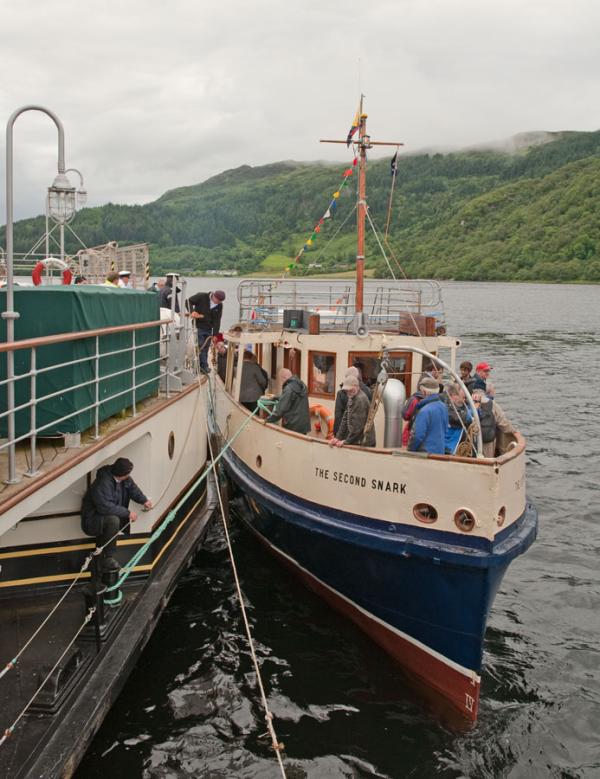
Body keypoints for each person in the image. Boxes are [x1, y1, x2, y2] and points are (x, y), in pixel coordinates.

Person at [81, 457, 152, 572]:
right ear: (121, 474)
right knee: (113, 521)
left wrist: (144, 500)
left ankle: (99, 574)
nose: (129, 476)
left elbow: (133, 489)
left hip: (103, 518)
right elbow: (105, 507)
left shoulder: (124, 478)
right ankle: (108, 557)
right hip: (92, 520)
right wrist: (128, 513)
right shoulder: (103, 483)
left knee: (105, 537)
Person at [329, 374, 375, 448]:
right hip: (356, 439)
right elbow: (345, 418)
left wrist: (346, 441)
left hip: (363, 441)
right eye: (347, 390)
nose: (348, 392)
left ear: (357, 387)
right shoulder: (352, 397)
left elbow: (357, 427)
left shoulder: (360, 400)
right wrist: (337, 437)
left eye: (350, 390)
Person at [186, 290, 226, 373]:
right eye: (217, 300)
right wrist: (192, 311)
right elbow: (188, 301)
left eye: (220, 301)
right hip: (198, 325)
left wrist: (215, 334)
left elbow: (217, 320)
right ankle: (203, 366)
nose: (218, 302)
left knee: (206, 346)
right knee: (201, 345)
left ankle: (202, 365)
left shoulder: (219, 306)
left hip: (208, 328)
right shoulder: (202, 296)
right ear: (213, 296)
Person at [407, 377, 449, 455]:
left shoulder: (424, 411)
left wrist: (410, 450)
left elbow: (417, 436)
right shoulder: (444, 407)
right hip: (440, 452)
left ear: (424, 392)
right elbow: (446, 430)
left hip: (425, 454)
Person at [472, 389, 516, 457]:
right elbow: (503, 422)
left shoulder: (470, 404)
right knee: (488, 459)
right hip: (488, 439)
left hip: (473, 438)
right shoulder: (492, 404)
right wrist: (513, 431)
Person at [265, 368, 310, 434]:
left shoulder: (289, 388)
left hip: (292, 425)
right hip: (303, 425)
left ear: (284, 377)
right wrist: (277, 398)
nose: (282, 382)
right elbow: (293, 398)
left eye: (281, 380)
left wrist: (268, 420)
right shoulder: (301, 384)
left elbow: (280, 410)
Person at [333, 366, 372, 437]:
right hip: (364, 433)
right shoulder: (368, 390)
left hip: (348, 434)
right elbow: (372, 409)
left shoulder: (342, 393)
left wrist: (336, 434)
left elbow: (338, 415)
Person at [442, 383, 473, 454]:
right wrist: (474, 408)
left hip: (454, 445)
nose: (463, 400)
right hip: (449, 448)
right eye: (462, 397)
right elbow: (464, 419)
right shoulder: (446, 408)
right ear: (453, 395)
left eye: (465, 398)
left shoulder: (458, 406)